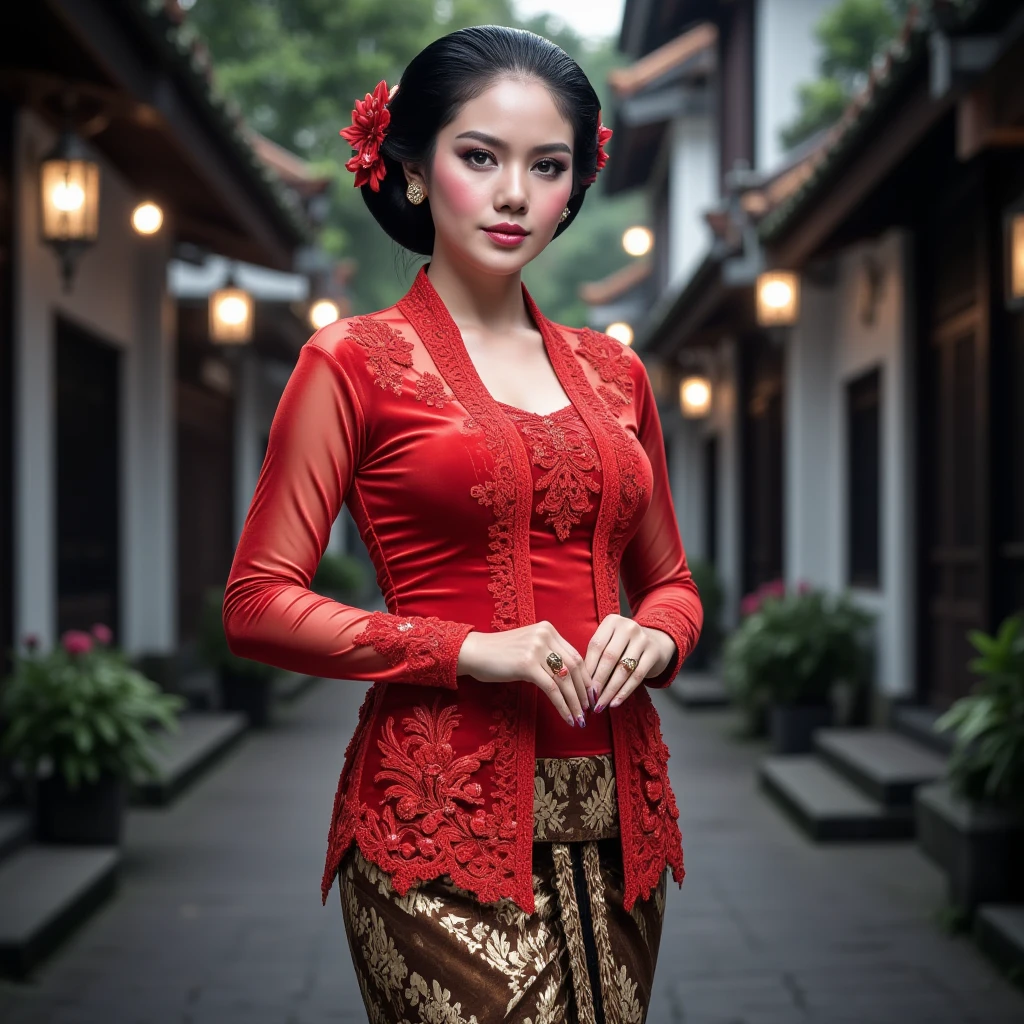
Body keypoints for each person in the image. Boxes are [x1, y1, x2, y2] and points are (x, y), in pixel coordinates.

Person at [223, 24, 702, 1024]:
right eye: (479, 156)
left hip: (620, 831)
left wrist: (654, 633)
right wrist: (467, 647)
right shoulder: (350, 364)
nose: (514, 193)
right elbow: (257, 603)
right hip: (433, 826)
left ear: (575, 188)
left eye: (548, 165)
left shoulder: (617, 373)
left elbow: (673, 584)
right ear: (410, 168)